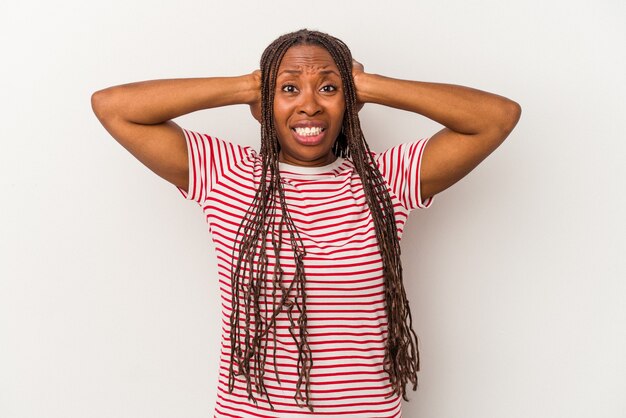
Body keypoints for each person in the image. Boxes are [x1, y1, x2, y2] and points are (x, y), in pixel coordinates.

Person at [91, 29, 521, 418]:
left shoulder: (385, 180)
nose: (310, 104)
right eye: (289, 88)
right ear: (265, 104)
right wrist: (247, 85)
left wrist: (366, 85)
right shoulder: (226, 173)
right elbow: (113, 107)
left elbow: (496, 118)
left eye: (329, 88)